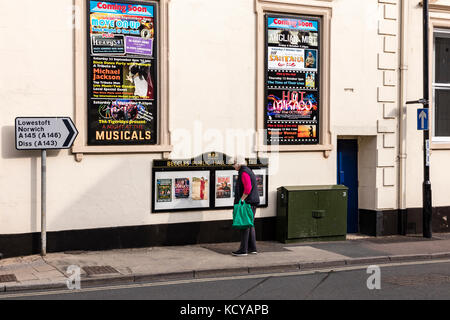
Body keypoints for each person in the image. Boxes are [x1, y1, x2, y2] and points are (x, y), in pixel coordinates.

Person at [231, 156, 260, 257]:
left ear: (239, 164)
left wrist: (242, 200)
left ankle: (243, 250)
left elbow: (247, 188)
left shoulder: (244, 172)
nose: (233, 166)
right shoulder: (248, 171)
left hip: (248, 202)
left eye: (234, 163)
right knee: (249, 224)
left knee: (244, 225)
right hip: (252, 202)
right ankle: (252, 248)